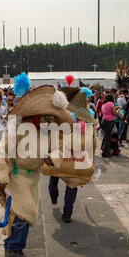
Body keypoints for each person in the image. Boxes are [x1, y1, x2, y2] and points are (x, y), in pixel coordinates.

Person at [0, 78, 74, 257]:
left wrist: (52, 158)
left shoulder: (49, 132)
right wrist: (2, 176)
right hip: (17, 176)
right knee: (23, 211)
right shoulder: (18, 128)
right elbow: (2, 152)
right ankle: (14, 248)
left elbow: (58, 148)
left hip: (33, 179)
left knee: (24, 214)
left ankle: (12, 244)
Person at [44, 86, 97, 223]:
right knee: (71, 184)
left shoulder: (62, 113)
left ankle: (56, 199)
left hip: (61, 153)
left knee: (55, 176)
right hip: (74, 155)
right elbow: (91, 141)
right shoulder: (87, 119)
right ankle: (67, 212)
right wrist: (91, 157)